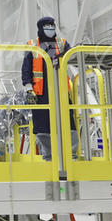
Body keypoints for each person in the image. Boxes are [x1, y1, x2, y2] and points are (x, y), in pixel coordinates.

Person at [21, 16, 71, 161]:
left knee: (68, 121)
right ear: (40, 28)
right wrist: (28, 88)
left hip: (61, 90)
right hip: (40, 92)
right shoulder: (32, 45)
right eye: (47, 26)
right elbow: (26, 68)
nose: (50, 28)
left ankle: (71, 155)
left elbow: (73, 57)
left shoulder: (62, 44)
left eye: (52, 25)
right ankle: (49, 156)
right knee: (42, 125)